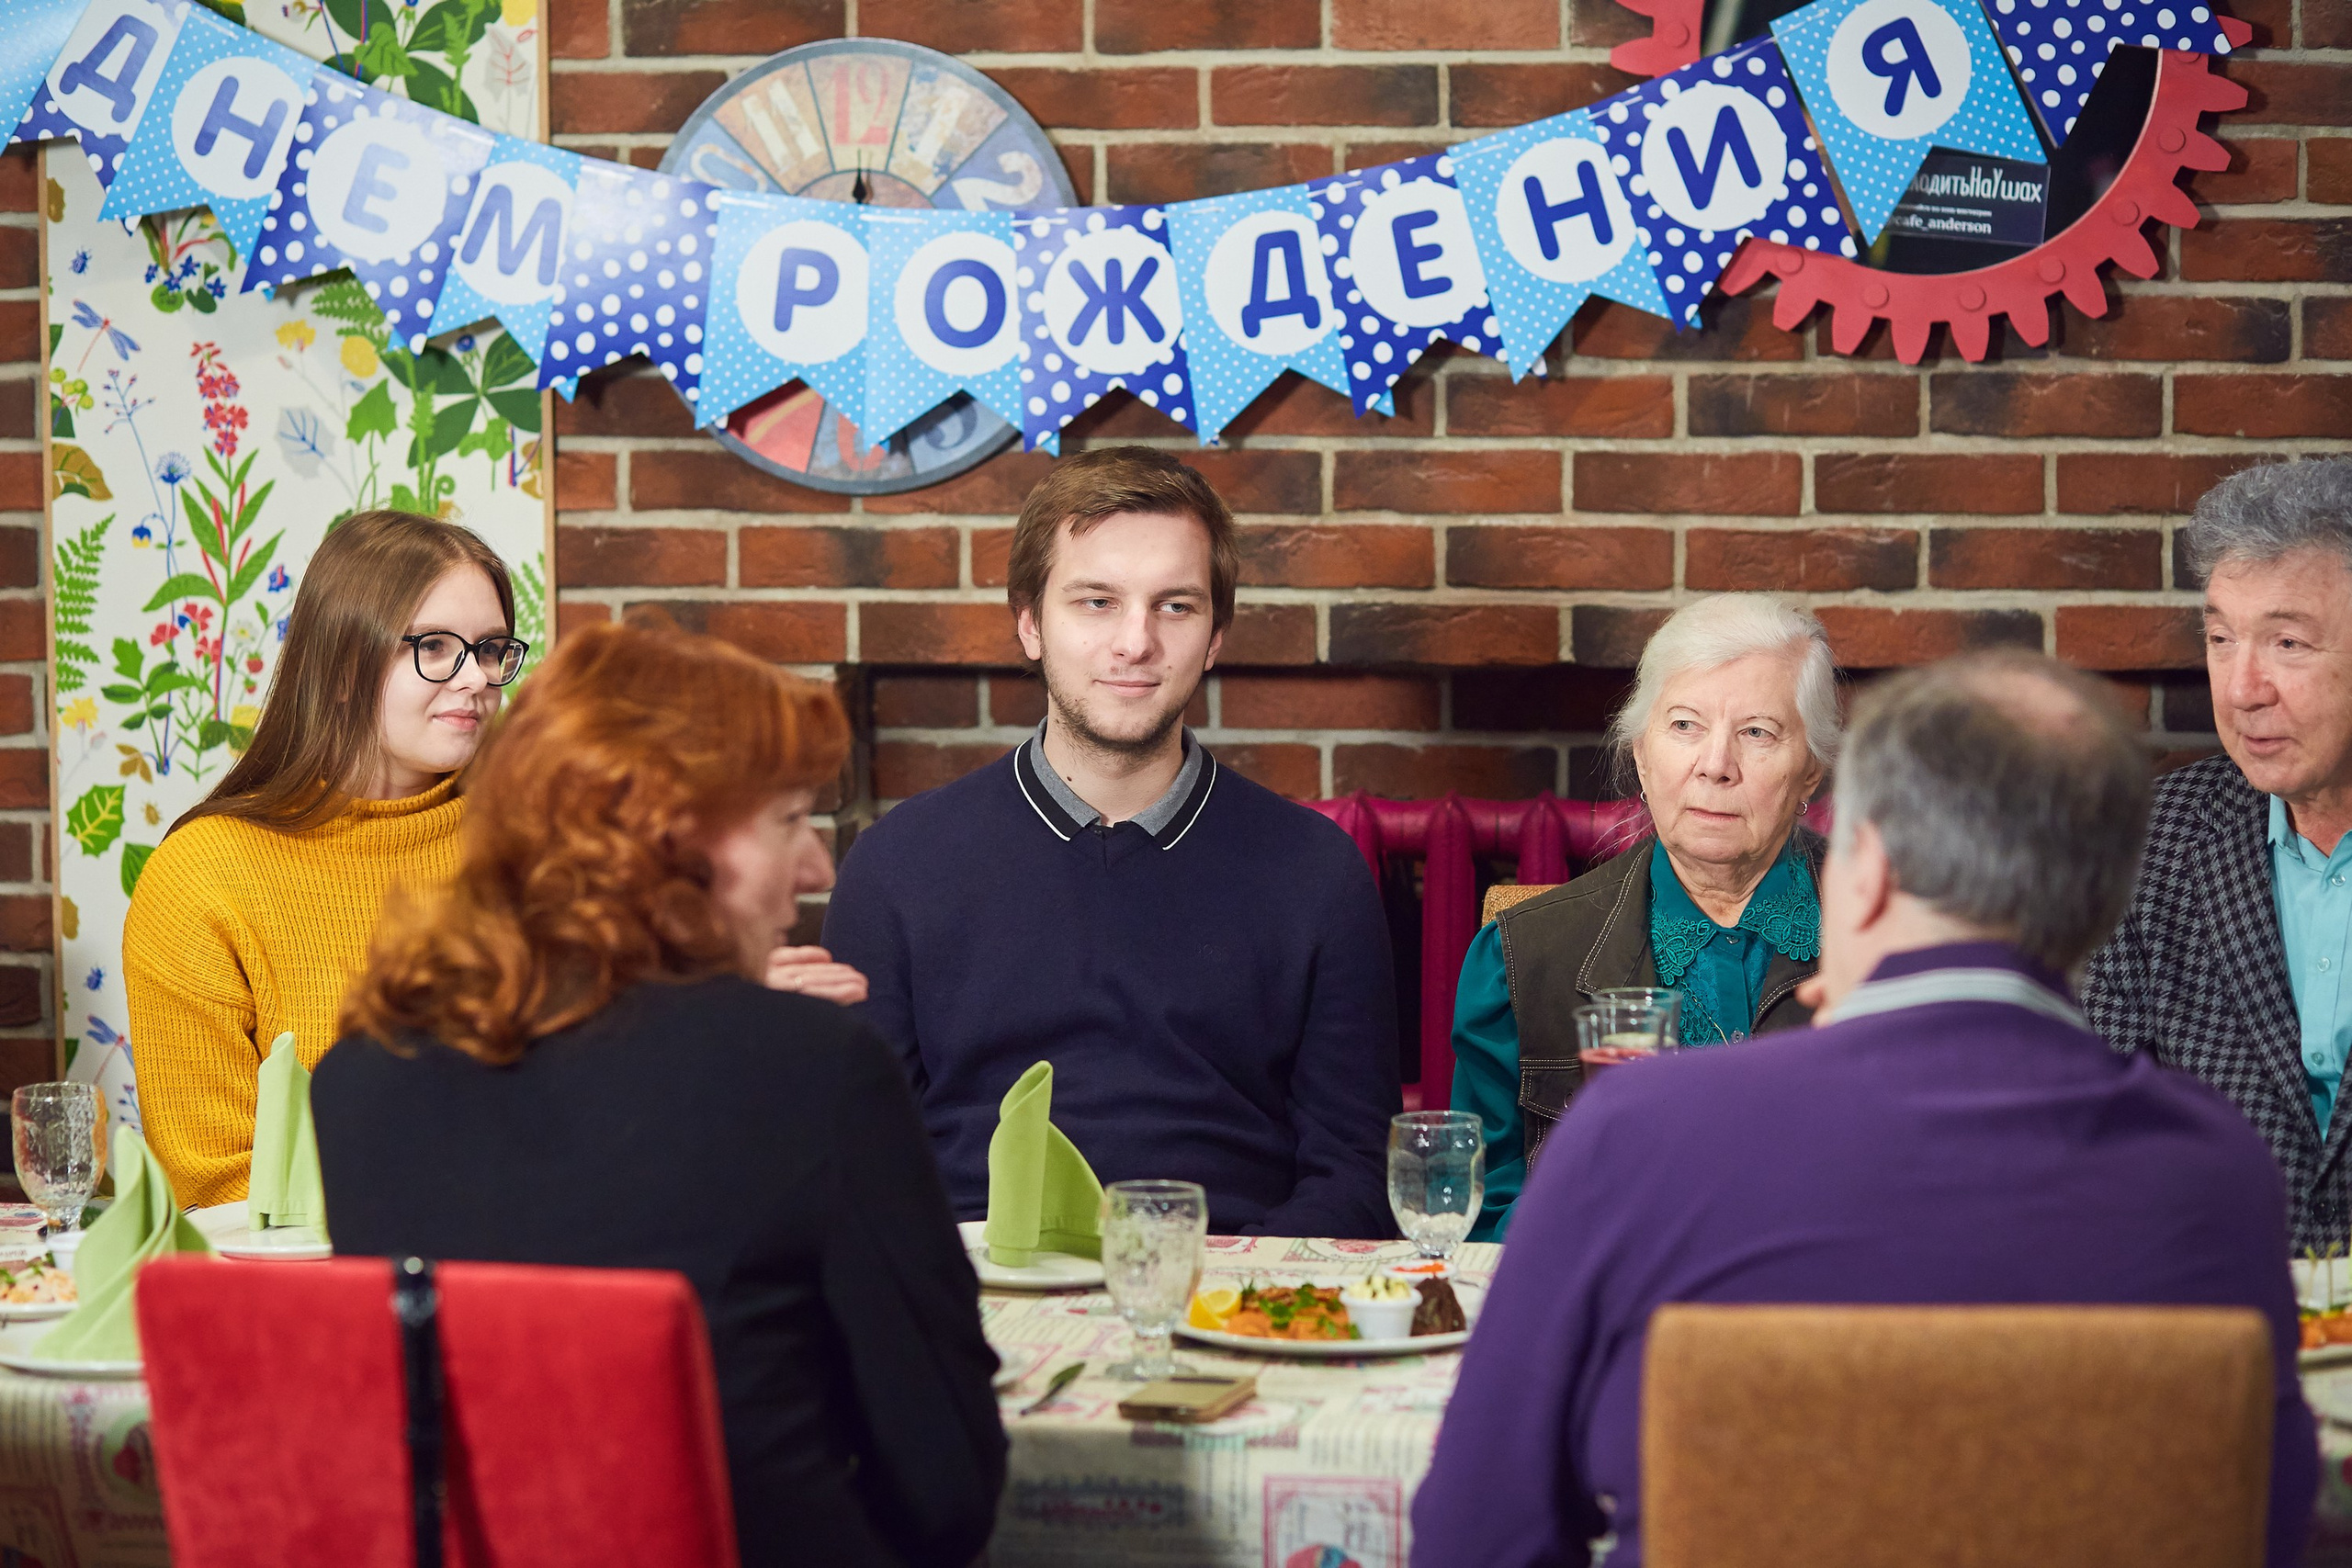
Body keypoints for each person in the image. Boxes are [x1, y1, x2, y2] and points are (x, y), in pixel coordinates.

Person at [1414, 651, 2317, 1568]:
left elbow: (1477, 1535)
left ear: (1870, 872)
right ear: (2103, 900)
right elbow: (2261, 1524)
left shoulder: (1633, 1129)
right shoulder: (2221, 1174)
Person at [318, 618, 1005, 1568]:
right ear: (669, 838)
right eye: (789, 821)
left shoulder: (359, 1074)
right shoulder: (813, 1070)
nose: (817, 871)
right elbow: (948, 1489)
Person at [823, 446, 1398, 1238]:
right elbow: (855, 1162)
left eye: (1176, 605)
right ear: (1029, 622)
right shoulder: (895, 865)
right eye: (1096, 602)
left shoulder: (1317, 872)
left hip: (1229, 1287)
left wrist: (1226, 1287)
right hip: (976, 1286)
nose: (1136, 642)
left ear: (1217, 633)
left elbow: (1356, 1172)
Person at [124, 510, 524, 1208]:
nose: (476, 679)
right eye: (435, 646)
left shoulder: (537, 843)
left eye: (491, 649)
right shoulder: (201, 877)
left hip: (534, 1266)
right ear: (342, 667)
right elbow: (215, 1183)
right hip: (308, 1294)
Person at [1452, 593, 1836, 1239]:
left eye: (1757, 732)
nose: (1715, 765)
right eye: (1684, 725)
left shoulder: (1898, 943)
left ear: (1810, 773)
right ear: (1641, 754)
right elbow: (1478, 1224)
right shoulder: (1523, 960)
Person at [2086, 457, 2352, 1250]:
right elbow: (2098, 1133)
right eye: (2221, 638)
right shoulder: (2148, 842)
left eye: (2288, 643)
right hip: (2217, 1315)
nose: (2241, 687)